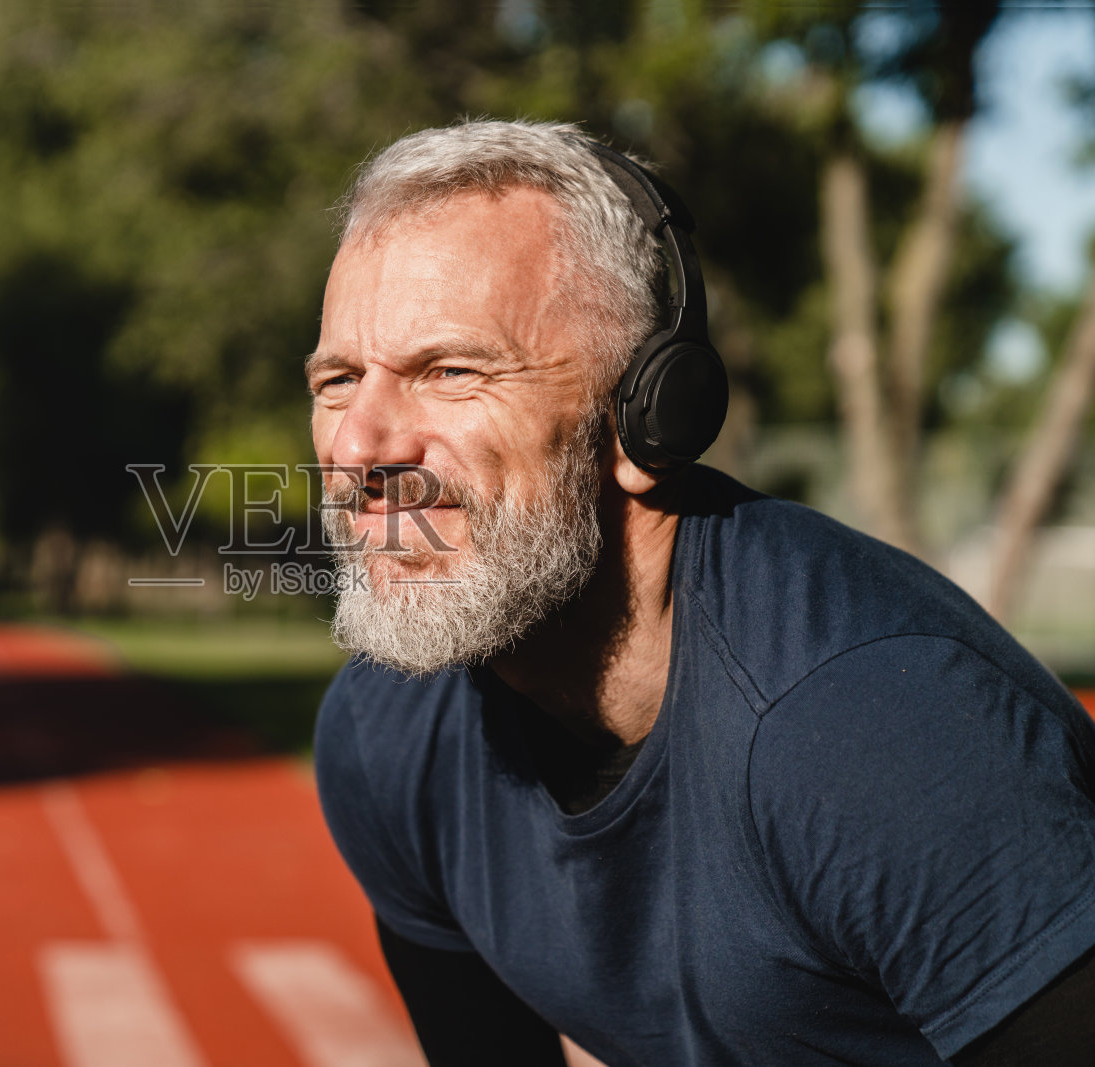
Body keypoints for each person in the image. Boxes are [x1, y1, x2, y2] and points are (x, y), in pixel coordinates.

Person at [307, 119, 1095, 1066]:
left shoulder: (875, 729)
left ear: (648, 424)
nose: (358, 447)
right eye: (339, 379)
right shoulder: (387, 730)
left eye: (450, 371)